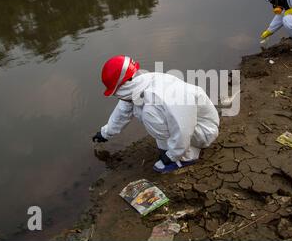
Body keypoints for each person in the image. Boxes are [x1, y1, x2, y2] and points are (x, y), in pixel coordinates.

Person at [92, 55, 220, 174]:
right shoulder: (141, 83)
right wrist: (106, 132)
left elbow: (183, 128)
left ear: (125, 85)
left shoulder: (164, 95)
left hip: (204, 130)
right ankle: (175, 149)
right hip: (189, 125)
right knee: (145, 110)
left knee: (150, 114)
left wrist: (172, 155)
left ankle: (187, 157)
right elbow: (123, 110)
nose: (118, 96)